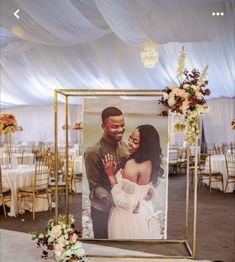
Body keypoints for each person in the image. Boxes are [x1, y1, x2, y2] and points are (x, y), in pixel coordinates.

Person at [102, 124, 164, 239]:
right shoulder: (151, 162)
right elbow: (143, 188)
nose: (130, 142)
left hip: (128, 217)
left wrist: (110, 175)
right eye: (130, 138)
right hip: (144, 211)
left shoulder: (132, 165)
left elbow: (122, 201)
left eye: (135, 142)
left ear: (145, 146)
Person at [84, 107, 129, 239]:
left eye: (122, 125)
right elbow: (94, 186)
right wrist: (117, 202)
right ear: (103, 126)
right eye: (115, 127)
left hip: (122, 209)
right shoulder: (93, 152)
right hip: (102, 210)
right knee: (104, 245)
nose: (120, 130)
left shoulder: (125, 147)